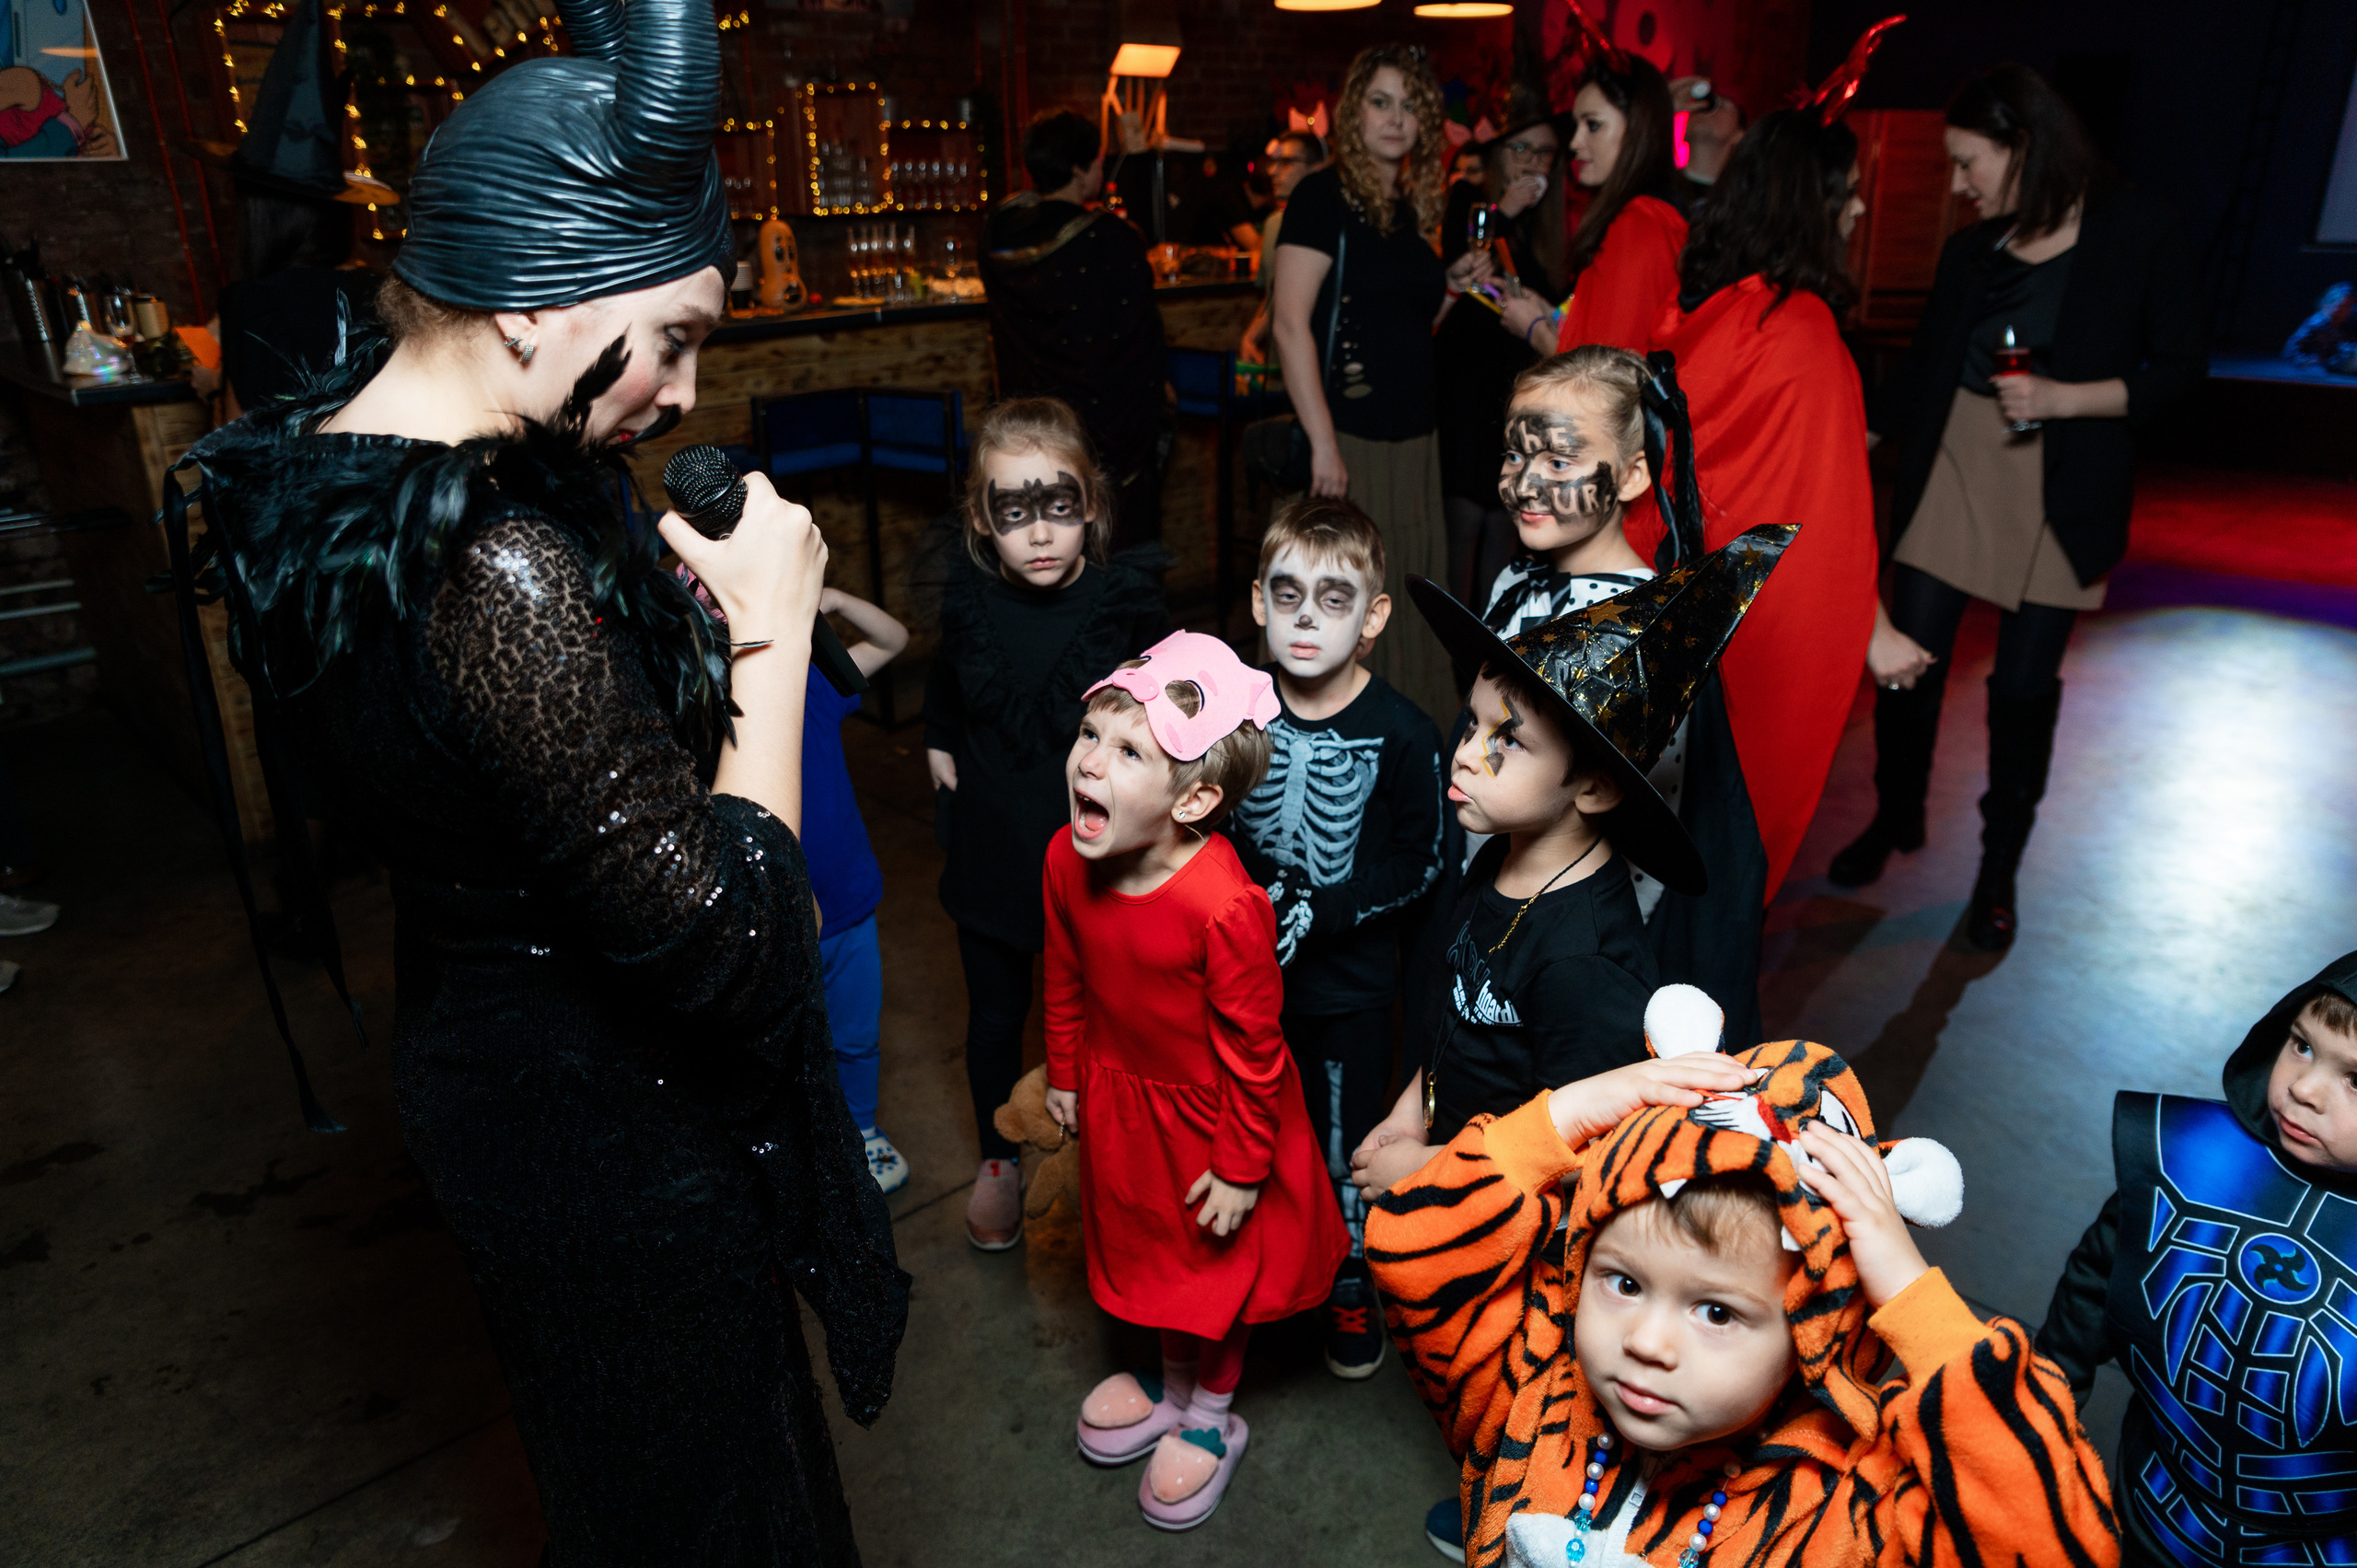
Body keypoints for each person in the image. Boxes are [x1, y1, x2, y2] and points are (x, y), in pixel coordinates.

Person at [159, 0, 910, 1555]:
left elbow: (475, 780)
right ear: (530, 303)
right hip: (611, 1139)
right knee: (716, 1510)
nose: (692, 391)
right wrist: (770, 643)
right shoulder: (494, 568)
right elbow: (739, 949)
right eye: (681, 333)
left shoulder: (324, 474)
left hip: (493, 1080)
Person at [1367, 1016, 2119, 1568]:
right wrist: (1574, 1110)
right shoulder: (1530, 1385)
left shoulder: (1842, 1511)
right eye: (1623, 1282)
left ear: (1810, 1331)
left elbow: (2047, 1540)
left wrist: (1904, 1286)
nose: (1647, 1342)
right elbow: (1413, 1248)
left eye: (1718, 1310)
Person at [1833, 63, 2202, 953]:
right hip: (1956, 464)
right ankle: (1897, 812)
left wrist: (2064, 399)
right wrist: (1857, 440)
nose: (1958, 186)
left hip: (2057, 485)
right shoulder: (1973, 251)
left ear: (2021, 147)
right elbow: (1924, 369)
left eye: (1969, 163)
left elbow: (2181, 373)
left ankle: (1998, 872)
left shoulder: (2138, 230)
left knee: (2022, 692)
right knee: (1906, 666)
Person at [1051, 632, 1350, 1530]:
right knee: (1146, 1251)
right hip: (1120, 1100)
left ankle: (1210, 1414)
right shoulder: (1065, 859)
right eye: (1090, 736)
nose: (1090, 762)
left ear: (1196, 796)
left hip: (1216, 1120)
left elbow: (1258, 1052)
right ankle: (1167, 1382)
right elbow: (1063, 970)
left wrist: (1242, 1166)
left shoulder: (1224, 905)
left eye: (1128, 749)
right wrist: (1064, 1068)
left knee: (1210, 1272)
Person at [924, 398, 1170, 1250]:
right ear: (981, 519)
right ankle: (999, 1156)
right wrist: (938, 739)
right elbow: (948, 680)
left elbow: (1168, 718)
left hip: (1096, 858)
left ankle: (1107, 1156)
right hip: (992, 846)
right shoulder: (967, 600)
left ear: (1092, 506)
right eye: (1012, 510)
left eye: (1057, 506)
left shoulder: (1122, 605)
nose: (1037, 532)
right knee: (995, 1014)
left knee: (1106, 1018)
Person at [1633, 105, 1881, 907]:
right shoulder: (1803, 331)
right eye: (1848, 190)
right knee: (1729, 857)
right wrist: (1864, 629)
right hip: (1764, 635)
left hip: (1684, 612)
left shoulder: (1715, 308)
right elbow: (1828, 525)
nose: (1860, 208)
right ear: (1813, 201)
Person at [2037, 950, 2357, 1568]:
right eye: (2301, 1044)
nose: (2302, 1086)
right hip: (2144, 1506)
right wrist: (2043, 1404)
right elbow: (2095, 1282)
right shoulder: (2189, 1166)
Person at [1226, 496, 1443, 1380]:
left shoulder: (1403, 732)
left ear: (1373, 619)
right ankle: (1266, 1270)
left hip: (1351, 990)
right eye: (1287, 595)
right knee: (1249, 1132)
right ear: (1257, 603)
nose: (1305, 617)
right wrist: (1263, 884)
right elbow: (1205, 809)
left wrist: (1323, 905)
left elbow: (1423, 861)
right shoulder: (1235, 711)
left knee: (1343, 1136)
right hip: (1246, 981)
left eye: (1333, 599)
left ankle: (1351, 1274)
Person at [1271, 41, 1493, 728]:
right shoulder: (1321, 195)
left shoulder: (1404, 205)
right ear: (1353, 111)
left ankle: (1404, 744)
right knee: (1346, 599)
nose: (1395, 118)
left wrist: (1451, 290)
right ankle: (1338, 743)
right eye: (1380, 102)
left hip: (1413, 436)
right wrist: (1323, 445)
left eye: (1409, 106)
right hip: (1352, 439)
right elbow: (1288, 323)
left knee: (1399, 596)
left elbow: (1404, 322)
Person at [188, 0, 391, 420]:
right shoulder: (382, 294)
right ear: (334, 212)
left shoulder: (253, 306)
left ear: (258, 218)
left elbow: (240, 454)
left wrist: (212, 389)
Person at [981, 109, 1170, 552]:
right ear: (1079, 168)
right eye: (1097, 161)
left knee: (1037, 545)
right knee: (1111, 549)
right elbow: (1140, 341)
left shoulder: (995, 232)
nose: (1101, 170)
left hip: (1028, 422)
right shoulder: (1110, 239)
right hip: (1104, 429)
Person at [1435, 80, 1567, 611]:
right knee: (1463, 519)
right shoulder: (1470, 200)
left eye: (1543, 152)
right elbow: (1465, 263)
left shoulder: (1550, 228)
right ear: (1496, 154)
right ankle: (1443, 657)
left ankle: (1487, 648)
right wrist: (1504, 209)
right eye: (1521, 149)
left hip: (1518, 393)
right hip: (1466, 385)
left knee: (1504, 520)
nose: (1533, 162)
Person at [800, 590, 913, 1191]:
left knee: (856, 1032)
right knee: (794, 1043)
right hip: (777, 921)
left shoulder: (813, 684)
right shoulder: (704, 710)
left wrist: (832, 598)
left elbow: (893, 641)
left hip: (847, 902)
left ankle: (863, 1128)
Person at [1500, 50, 1686, 362]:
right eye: (1577, 125)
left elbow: (1608, 375)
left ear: (1638, 128)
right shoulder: (1645, 214)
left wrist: (1533, 329)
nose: (1575, 142)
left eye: (1594, 125)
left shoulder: (1639, 226)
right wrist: (1551, 314)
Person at [1237, 129, 1325, 366]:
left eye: (1286, 163)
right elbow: (1274, 298)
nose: (1273, 171)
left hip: (1318, 365)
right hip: (1278, 368)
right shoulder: (1274, 225)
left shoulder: (1330, 227)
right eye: (1274, 163)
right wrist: (1251, 337)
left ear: (1317, 168)